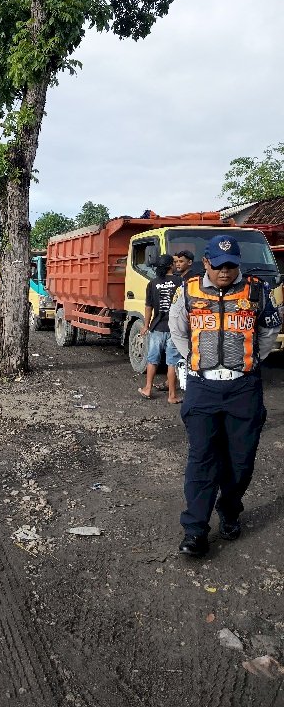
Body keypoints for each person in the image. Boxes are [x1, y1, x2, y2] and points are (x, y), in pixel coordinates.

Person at [169, 234, 281, 557]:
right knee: (201, 458)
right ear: (206, 263)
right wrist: (194, 360)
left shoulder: (256, 291)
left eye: (231, 266)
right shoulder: (187, 292)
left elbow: (269, 331)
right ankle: (195, 530)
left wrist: (247, 363)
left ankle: (230, 511)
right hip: (203, 388)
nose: (225, 272)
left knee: (241, 460)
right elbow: (177, 329)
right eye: (218, 266)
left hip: (243, 388)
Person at [137, 253, 182, 403]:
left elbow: (148, 306)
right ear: (170, 265)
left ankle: (148, 388)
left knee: (152, 359)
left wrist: (146, 325)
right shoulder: (180, 282)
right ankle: (172, 396)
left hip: (157, 327)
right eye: (174, 262)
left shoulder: (153, 283)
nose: (177, 264)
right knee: (172, 362)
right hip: (174, 328)